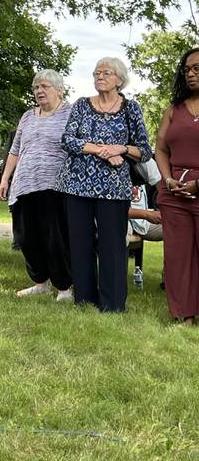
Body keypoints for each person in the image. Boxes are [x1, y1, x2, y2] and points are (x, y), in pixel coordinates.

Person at [55, 57, 151, 312]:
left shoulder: (131, 109)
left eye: (105, 72)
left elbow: (145, 151)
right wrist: (100, 150)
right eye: (96, 72)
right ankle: (85, 301)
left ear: (119, 80)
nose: (99, 76)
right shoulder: (82, 105)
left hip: (114, 187)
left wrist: (121, 148)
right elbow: (67, 140)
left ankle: (112, 304)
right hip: (76, 183)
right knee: (80, 242)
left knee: (112, 245)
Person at [0, 69, 72, 301]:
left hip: (54, 185)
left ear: (59, 90)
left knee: (54, 237)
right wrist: (5, 178)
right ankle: (40, 282)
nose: (39, 91)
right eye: (36, 87)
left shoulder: (71, 113)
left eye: (45, 86)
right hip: (24, 184)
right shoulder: (28, 116)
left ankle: (64, 287)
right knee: (26, 237)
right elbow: (15, 149)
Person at [154, 47, 199, 324]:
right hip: (174, 193)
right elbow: (160, 149)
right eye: (187, 70)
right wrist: (168, 179)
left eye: (197, 68)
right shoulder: (174, 109)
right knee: (178, 256)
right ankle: (184, 315)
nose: (191, 74)